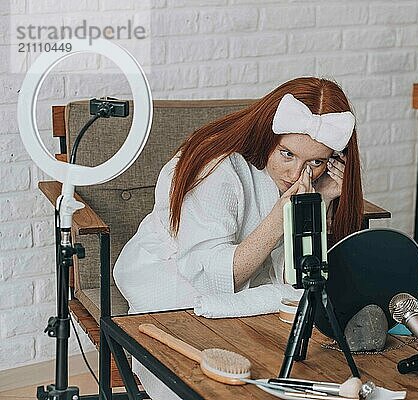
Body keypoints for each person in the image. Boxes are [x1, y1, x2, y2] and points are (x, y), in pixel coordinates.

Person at [112, 77, 364, 399]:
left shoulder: (306, 183)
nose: (296, 174)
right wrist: (277, 219)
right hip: (180, 286)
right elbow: (211, 281)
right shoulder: (218, 170)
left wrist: (322, 200)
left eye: (315, 161)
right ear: (267, 135)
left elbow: (299, 274)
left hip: (251, 288)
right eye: (287, 154)